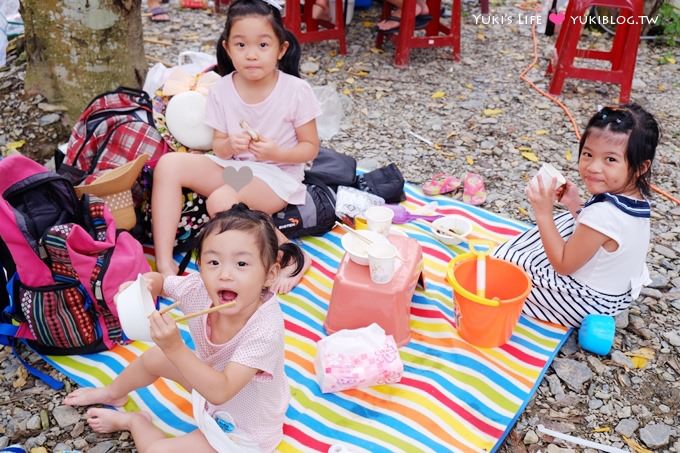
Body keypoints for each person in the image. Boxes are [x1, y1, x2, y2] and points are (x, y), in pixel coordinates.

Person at [64, 205, 302, 452]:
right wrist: (144, 287)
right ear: (200, 266)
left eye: (242, 263)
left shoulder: (265, 331)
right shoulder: (198, 288)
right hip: (207, 384)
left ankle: (134, 422)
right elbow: (162, 283)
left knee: (156, 451)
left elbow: (221, 391)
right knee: (155, 357)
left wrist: (175, 347)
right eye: (213, 262)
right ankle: (114, 393)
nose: (225, 274)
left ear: (270, 274)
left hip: (243, 427)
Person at [151, 0, 320, 294]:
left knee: (219, 201)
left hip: (276, 176)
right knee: (169, 165)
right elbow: (218, 146)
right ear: (228, 48)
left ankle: (291, 252)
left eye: (263, 45)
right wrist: (230, 144)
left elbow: (310, 149)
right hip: (235, 167)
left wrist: (275, 153)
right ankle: (165, 266)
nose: (251, 55)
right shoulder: (221, 89)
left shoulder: (295, 91)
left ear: (281, 49)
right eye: (241, 45)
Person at [493, 104, 658, 327]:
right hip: (617, 295)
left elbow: (563, 265)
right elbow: (603, 236)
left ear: (640, 167)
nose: (593, 167)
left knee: (503, 265)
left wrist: (543, 213)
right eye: (588, 154)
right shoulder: (635, 199)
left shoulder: (603, 215)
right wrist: (573, 203)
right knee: (568, 221)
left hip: (586, 302)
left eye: (610, 160)